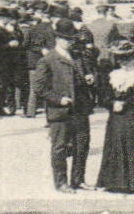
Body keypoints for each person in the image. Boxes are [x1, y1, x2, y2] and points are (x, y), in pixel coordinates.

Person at [32, 18, 95, 193]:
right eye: (67, 39)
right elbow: (38, 87)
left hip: (80, 108)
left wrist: (90, 77)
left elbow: (86, 73)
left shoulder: (78, 56)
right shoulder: (48, 60)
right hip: (60, 111)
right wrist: (58, 99)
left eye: (72, 39)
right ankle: (61, 183)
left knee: (82, 145)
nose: (70, 42)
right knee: (59, 148)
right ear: (57, 39)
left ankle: (78, 179)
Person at [95, 39, 134, 194]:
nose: (124, 62)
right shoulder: (112, 76)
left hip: (133, 116)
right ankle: (115, 182)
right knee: (116, 143)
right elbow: (103, 96)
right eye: (121, 58)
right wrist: (111, 104)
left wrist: (125, 103)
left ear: (133, 58)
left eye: (127, 58)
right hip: (115, 117)